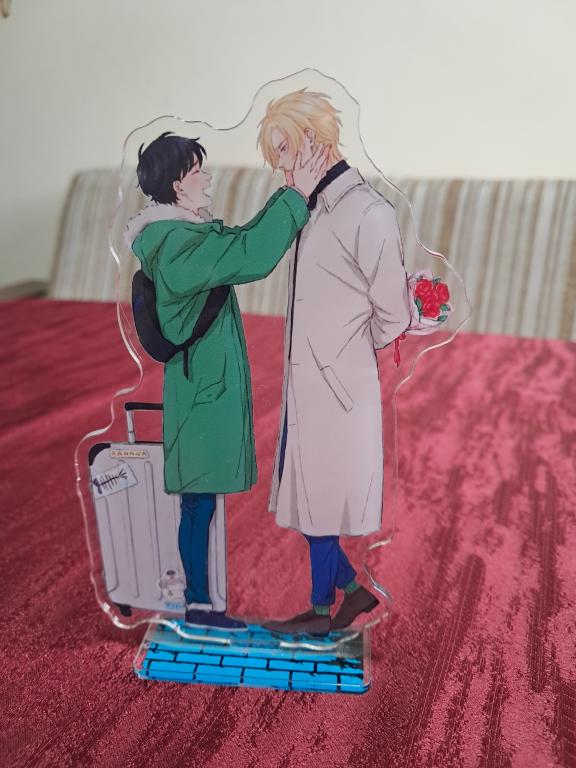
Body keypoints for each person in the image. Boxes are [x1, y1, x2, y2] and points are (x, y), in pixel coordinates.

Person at [126, 131, 328, 630]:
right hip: (200, 394)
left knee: (200, 503)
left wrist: (289, 195)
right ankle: (199, 606)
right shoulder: (177, 246)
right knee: (197, 506)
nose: (208, 178)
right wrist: (297, 196)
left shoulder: (182, 237)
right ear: (177, 185)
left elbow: (240, 240)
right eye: (198, 171)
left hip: (202, 389)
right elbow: (249, 255)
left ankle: (202, 602)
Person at [257, 91, 412, 635]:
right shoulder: (308, 208)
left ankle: (322, 613)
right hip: (306, 386)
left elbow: (394, 312)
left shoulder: (369, 211)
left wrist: (345, 351)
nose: (280, 165)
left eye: (283, 150)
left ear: (314, 141)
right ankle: (350, 592)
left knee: (319, 504)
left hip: (339, 389)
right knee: (305, 502)